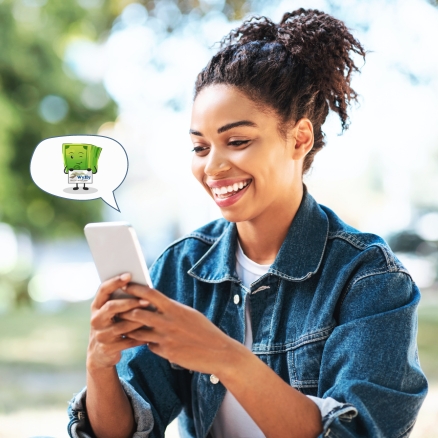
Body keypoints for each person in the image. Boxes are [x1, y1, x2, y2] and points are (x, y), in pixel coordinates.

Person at [68, 8, 428, 438]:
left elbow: (358, 432)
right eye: (200, 148)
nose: (213, 167)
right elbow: (124, 431)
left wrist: (225, 355)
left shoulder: (368, 280)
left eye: (237, 141)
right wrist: (100, 365)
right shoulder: (182, 269)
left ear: (299, 139)